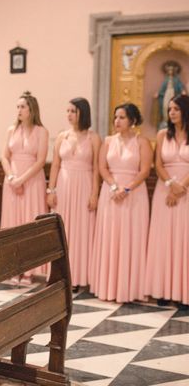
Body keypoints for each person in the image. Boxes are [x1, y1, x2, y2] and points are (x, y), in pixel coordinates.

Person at [90, 103, 152, 303]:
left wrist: (127, 188)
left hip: (134, 195)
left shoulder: (142, 141)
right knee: (111, 237)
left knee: (131, 238)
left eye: (122, 117)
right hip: (111, 193)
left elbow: (145, 170)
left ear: (132, 120)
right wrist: (114, 186)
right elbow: (102, 167)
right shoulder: (108, 141)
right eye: (115, 117)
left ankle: (131, 289)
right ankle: (107, 286)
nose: (117, 121)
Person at [47, 98, 101, 290]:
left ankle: (79, 277)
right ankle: (60, 275)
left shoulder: (93, 137)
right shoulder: (62, 136)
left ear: (82, 113)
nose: (69, 115)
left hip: (84, 185)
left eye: (73, 111)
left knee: (82, 231)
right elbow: (55, 165)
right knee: (63, 230)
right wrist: (51, 190)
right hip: (64, 184)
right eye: (67, 111)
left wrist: (94, 194)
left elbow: (96, 169)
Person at [145, 94, 189, 310]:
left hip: (186, 191)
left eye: (176, 109)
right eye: (170, 109)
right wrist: (172, 184)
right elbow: (158, 164)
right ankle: (163, 290)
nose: (171, 112)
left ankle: (184, 292)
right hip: (165, 190)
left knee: (184, 240)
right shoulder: (163, 134)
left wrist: (182, 187)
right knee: (165, 239)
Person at [0, 91, 49, 281]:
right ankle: (12, 267)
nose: (19, 110)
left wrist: (22, 180)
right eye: (17, 107)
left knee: (29, 224)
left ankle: (30, 269)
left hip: (32, 182)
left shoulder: (41, 131)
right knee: (12, 224)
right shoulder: (11, 130)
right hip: (12, 181)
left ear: (32, 109)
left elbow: (41, 160)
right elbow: (5, 156)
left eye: (23, 107)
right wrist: (12, 177)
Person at [152, 60, 186, 130]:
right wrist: (158, 93)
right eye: (169, 70)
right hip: (167, 94)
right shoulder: (166, 79)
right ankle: (166, 119)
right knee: (165, 107)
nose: (170, 71)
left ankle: (173, 121)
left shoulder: (176, 79)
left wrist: (183, 91)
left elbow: (180, 86)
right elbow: (162, 88)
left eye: (172, 70)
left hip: (174, 94)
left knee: (175, 105)